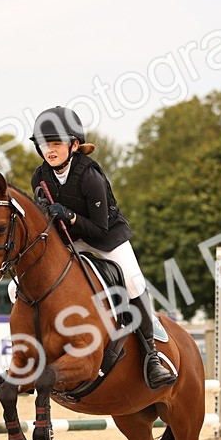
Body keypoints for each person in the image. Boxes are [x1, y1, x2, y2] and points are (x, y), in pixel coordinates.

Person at [28, 106, 175, 390]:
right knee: (23, 283)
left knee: (132, 283)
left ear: (73, 145)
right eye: (45, 144)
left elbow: (99, 229)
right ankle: (28, 356)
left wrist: (68, 215)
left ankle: (151, 357)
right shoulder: (40, 176)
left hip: (106, 236)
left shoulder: (89, 175)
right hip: (69, 238)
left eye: (56, 143)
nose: (50, 150)